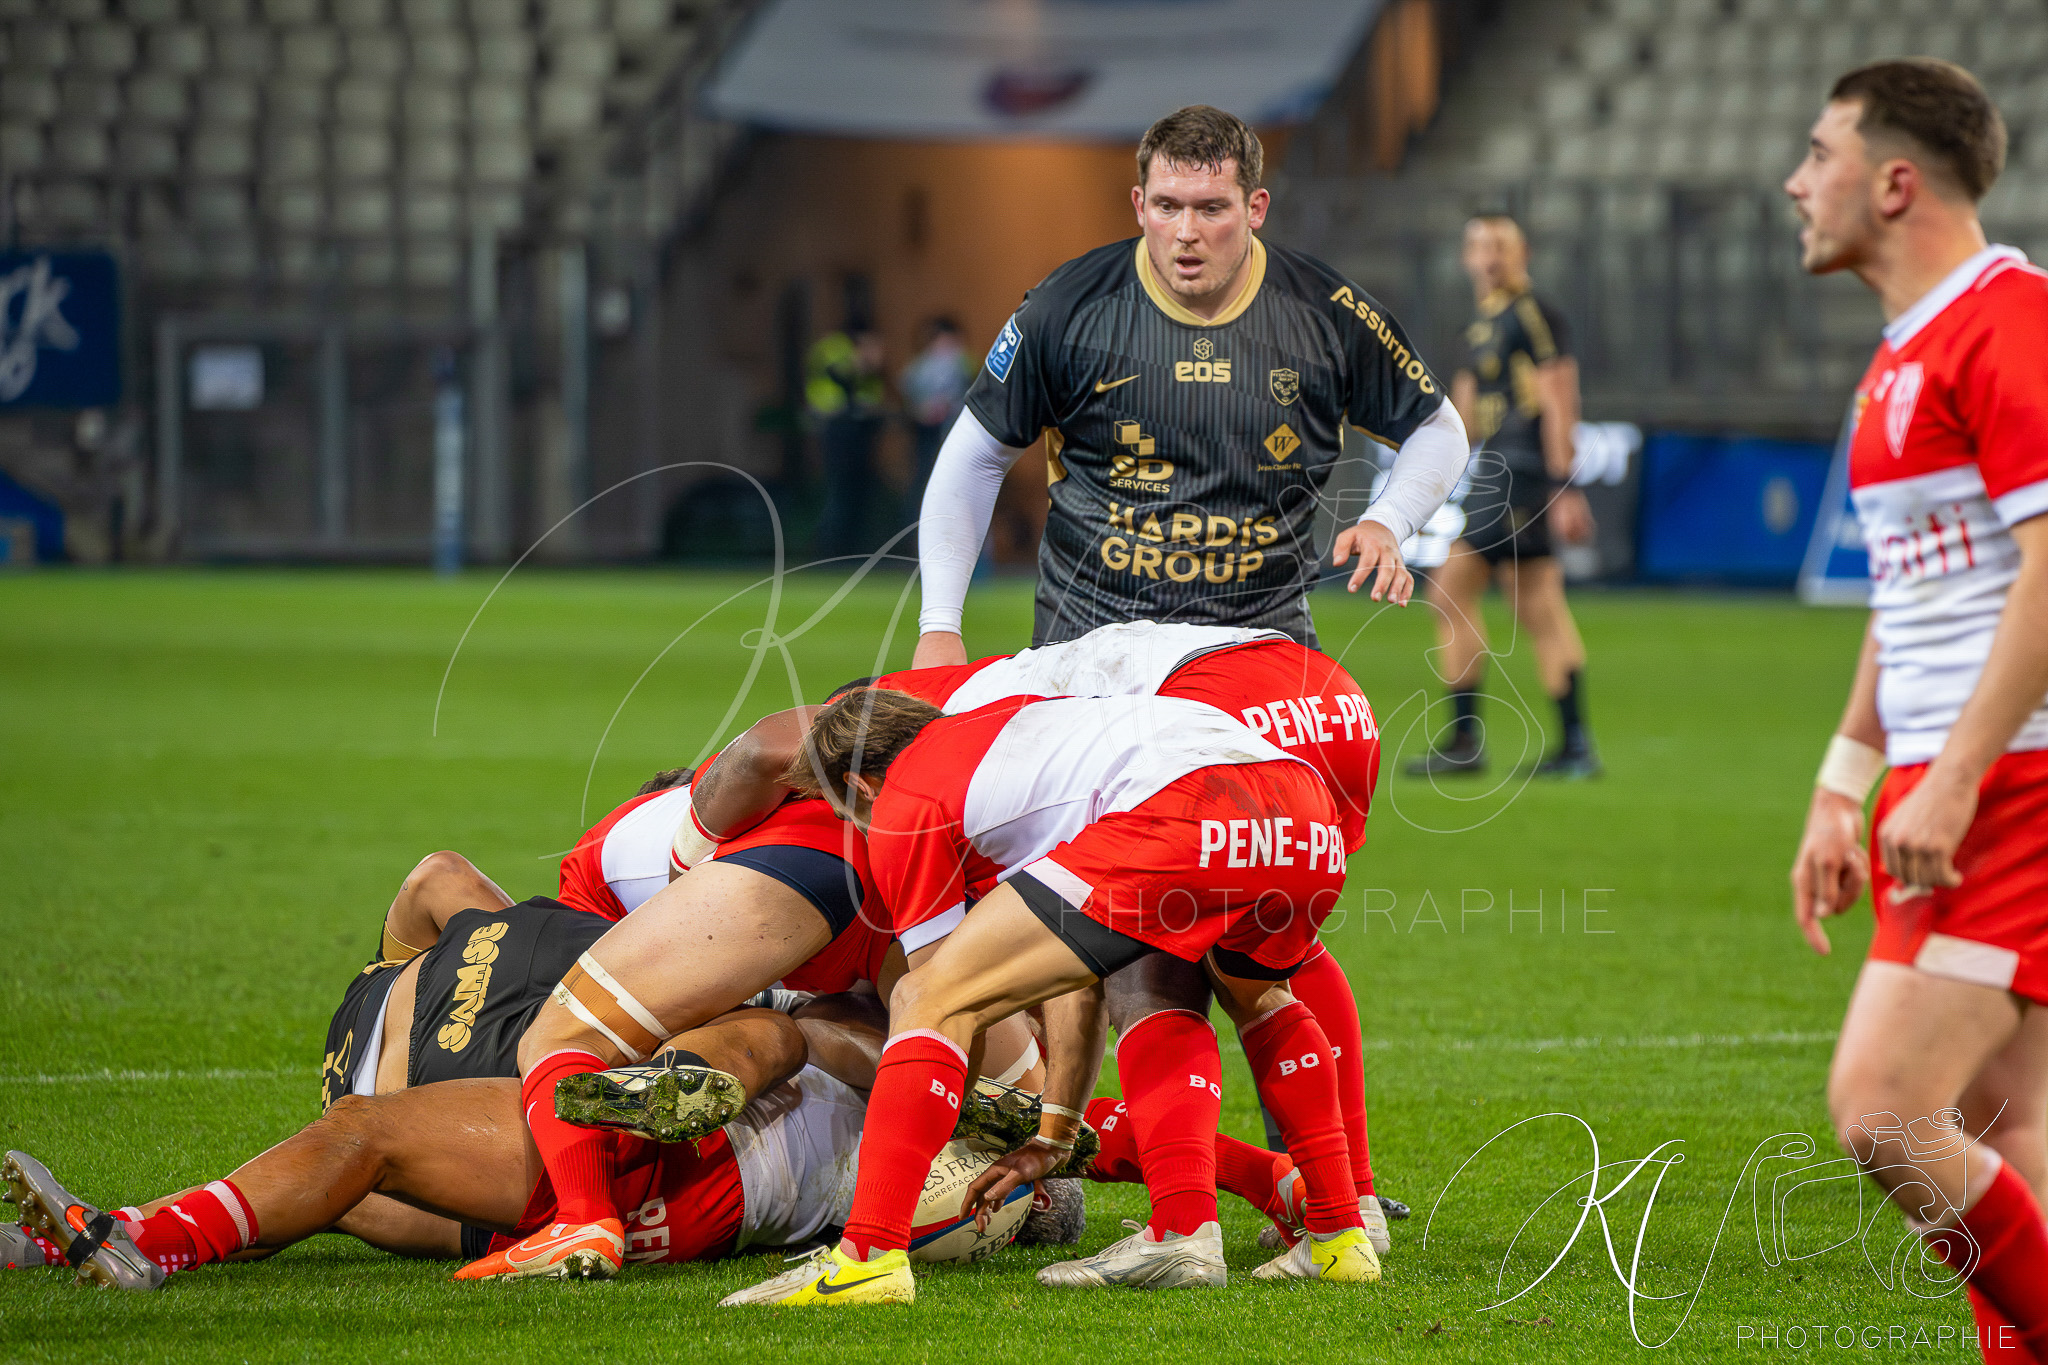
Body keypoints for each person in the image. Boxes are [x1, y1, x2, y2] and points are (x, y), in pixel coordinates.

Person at [907, 102, 1461, 1242]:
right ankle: (1261, 1197)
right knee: (1115, 941)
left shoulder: (1318, 310)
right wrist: (939, 626)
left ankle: (1332, 1188)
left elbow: (1439, 427)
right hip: (1093, 661)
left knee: (1267, 941)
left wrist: (1392, 523)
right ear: (1137, 204)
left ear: (1254, 207)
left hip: (1256, 663)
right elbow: (972, 457)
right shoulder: (1070, 305)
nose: (1186, 233)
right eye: (1165, 206)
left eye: (1211, 208)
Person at [692, 619, 1392, 1251]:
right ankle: (1340, 1233)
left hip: (1184, 800)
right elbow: (1077, 972)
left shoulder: (907, 798)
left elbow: (948, 1008)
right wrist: (1053, 1133)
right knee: (1261, 998)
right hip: (1299, 798)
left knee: (928, 998)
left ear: (859, 784)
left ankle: (867, 1256)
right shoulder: (1012, 730)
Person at [1785, 59, 2048, 1363]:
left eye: (1820, 152)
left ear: (1895, 181)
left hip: (2014, 781)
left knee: (1883, 1108)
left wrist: (1957, 777)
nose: (1795, 179)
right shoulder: (1900, 355)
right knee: (2010, 1128)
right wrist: (1848, 779)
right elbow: (1912, 601)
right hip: (1951, 774)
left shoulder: (2009, 319)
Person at [1407, 214, 1599, 779]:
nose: (1488, 256)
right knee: (1537, 606)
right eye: (1478, 246)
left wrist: (1566, 486)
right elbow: (1463, 419)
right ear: (1465, 257)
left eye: (1500, 246)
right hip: (1499, 469)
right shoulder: (1483, 324)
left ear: (1523, 254)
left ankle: (1468, 741)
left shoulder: (1530, 313)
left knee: (1449, 593)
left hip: (1520, 473)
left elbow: (1560, 394)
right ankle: (1575, 745)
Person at [808, 325, 887, 560]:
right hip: (838, 433)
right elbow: (832, 381)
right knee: (839, 496)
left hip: (860, 437)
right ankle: (828, 554)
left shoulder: (870, 375)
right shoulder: (837, 356)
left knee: (859, 497)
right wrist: (859, 366)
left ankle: (853, 553)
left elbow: (873, 402)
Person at [900, 316, 974, 536]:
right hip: (928, 438)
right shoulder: (919, 368)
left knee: (959, 490)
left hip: (957, 436)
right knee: (925, 488)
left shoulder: (965, 364)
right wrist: (922, 411)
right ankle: (918, 541)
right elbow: (908, 400)